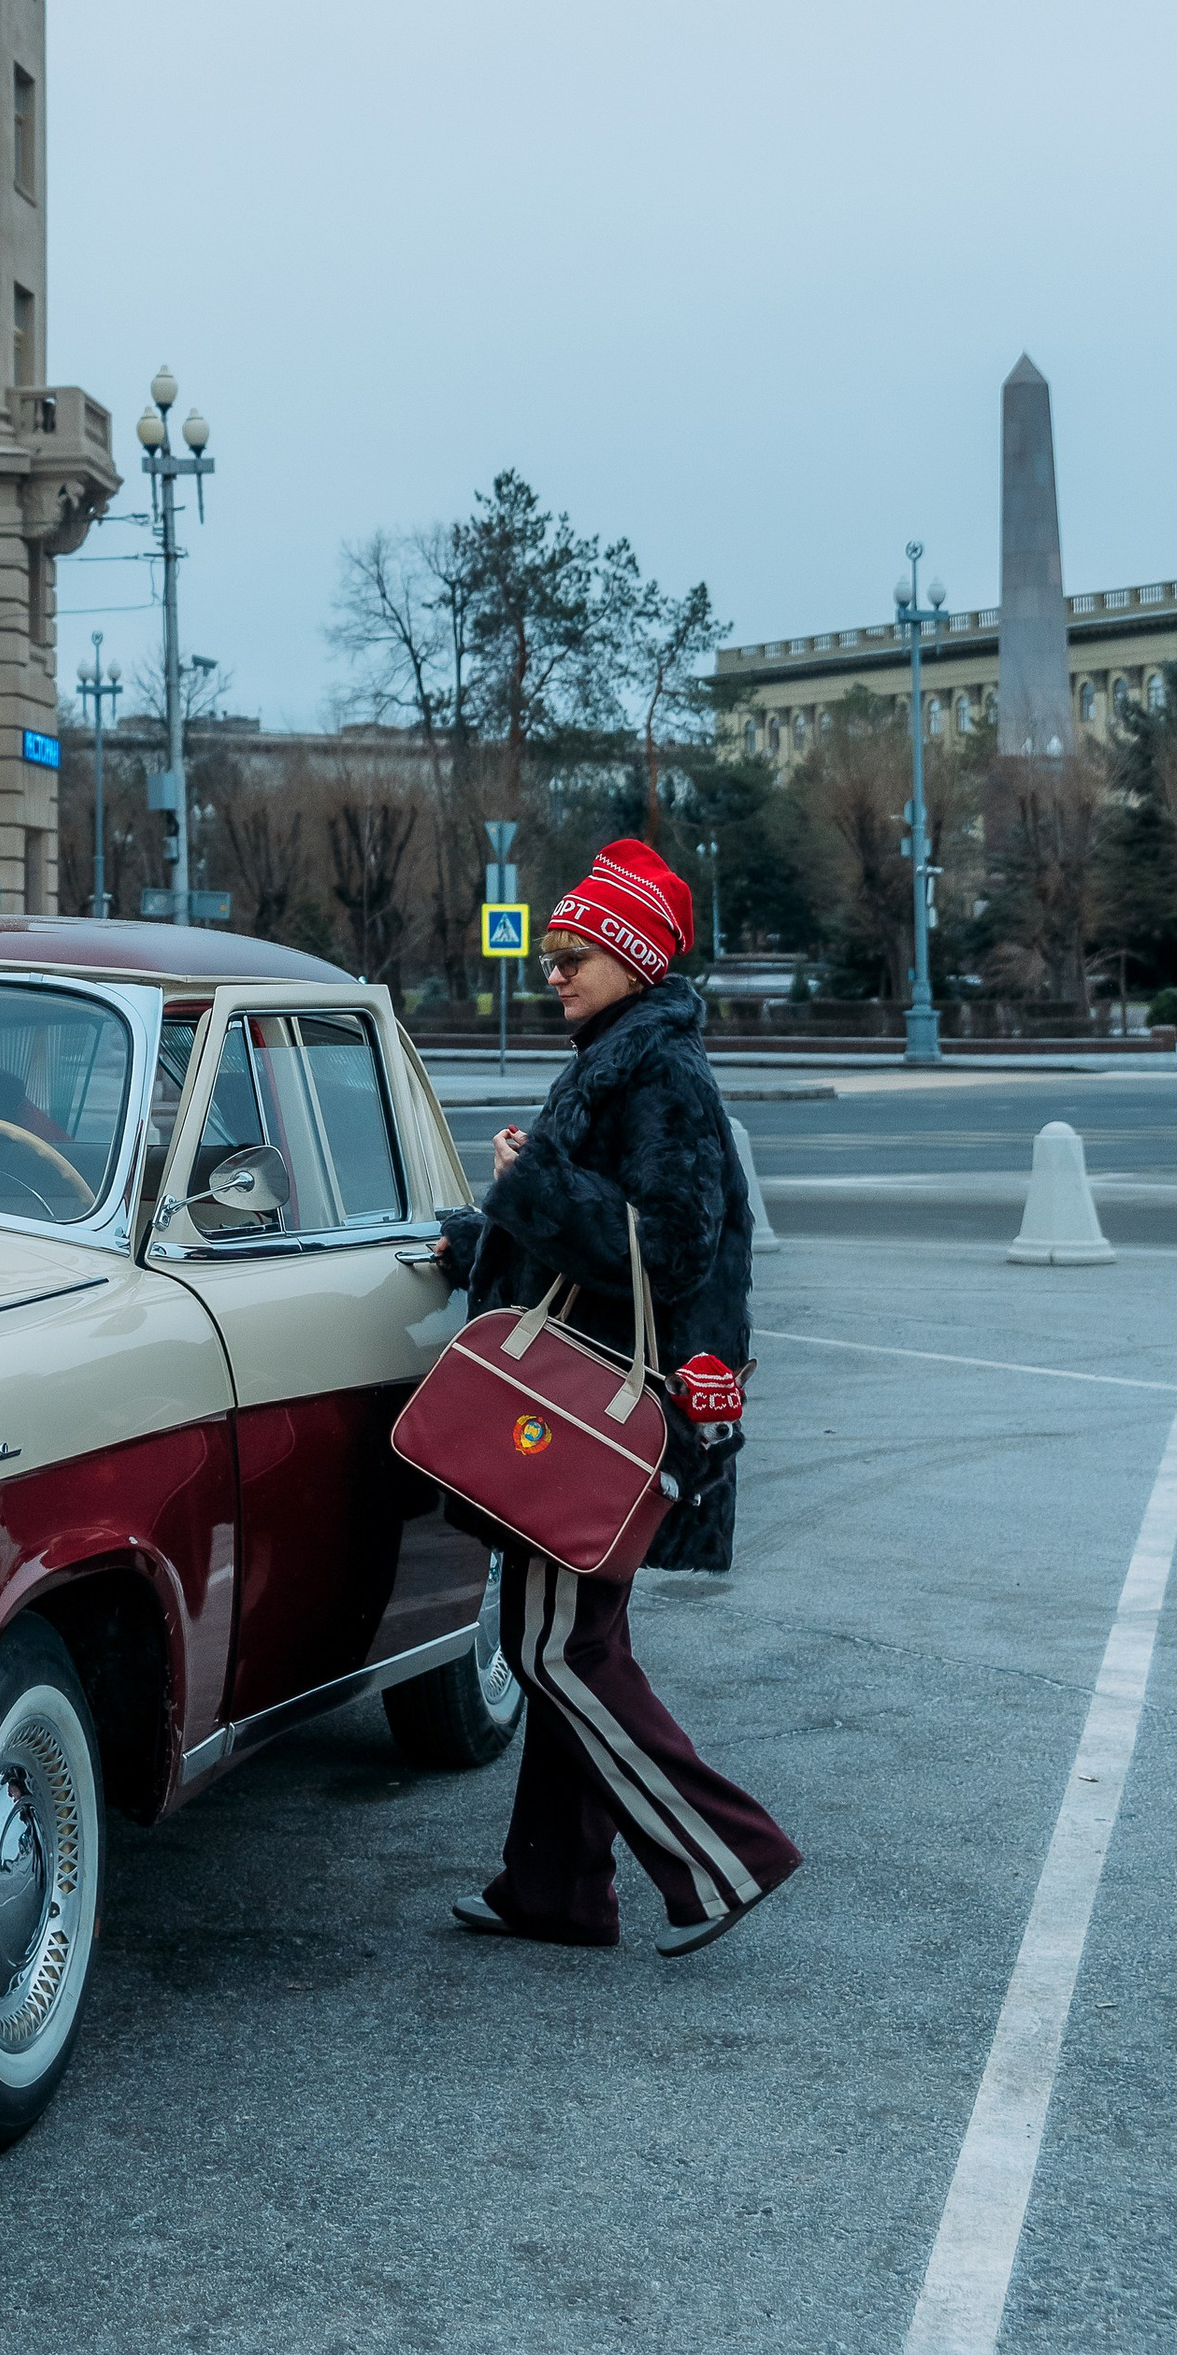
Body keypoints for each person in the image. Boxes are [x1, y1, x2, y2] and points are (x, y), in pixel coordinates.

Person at [427, 835, 802, 1957]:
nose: (552, 968)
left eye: (574, 950)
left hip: (594, 1410)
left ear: (634, 956)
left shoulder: (659, 1070)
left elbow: (668, 1248)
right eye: (549, 951)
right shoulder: (620, 1050)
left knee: (552, 1646)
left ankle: (724, 1856)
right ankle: (554, 1888)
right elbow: (591, 1221)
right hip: (589, 1398)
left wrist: (530, 1182)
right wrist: (478, 1235)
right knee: (569, 1635)